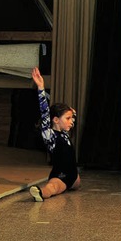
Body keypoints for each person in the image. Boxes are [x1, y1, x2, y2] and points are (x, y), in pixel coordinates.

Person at [29, 67, 80, 202]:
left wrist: (71, 113)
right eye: (68, 119)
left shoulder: (63, 132)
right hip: (60, 175)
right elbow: (45, 113)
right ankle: (40, 193)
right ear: (56, 120)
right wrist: (41, 88)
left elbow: (71, 117)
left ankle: (71, 182)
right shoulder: (50, 136)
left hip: (74, 177)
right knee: (53, 188)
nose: (72, 121)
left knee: (73, 183)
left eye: (71, 118)